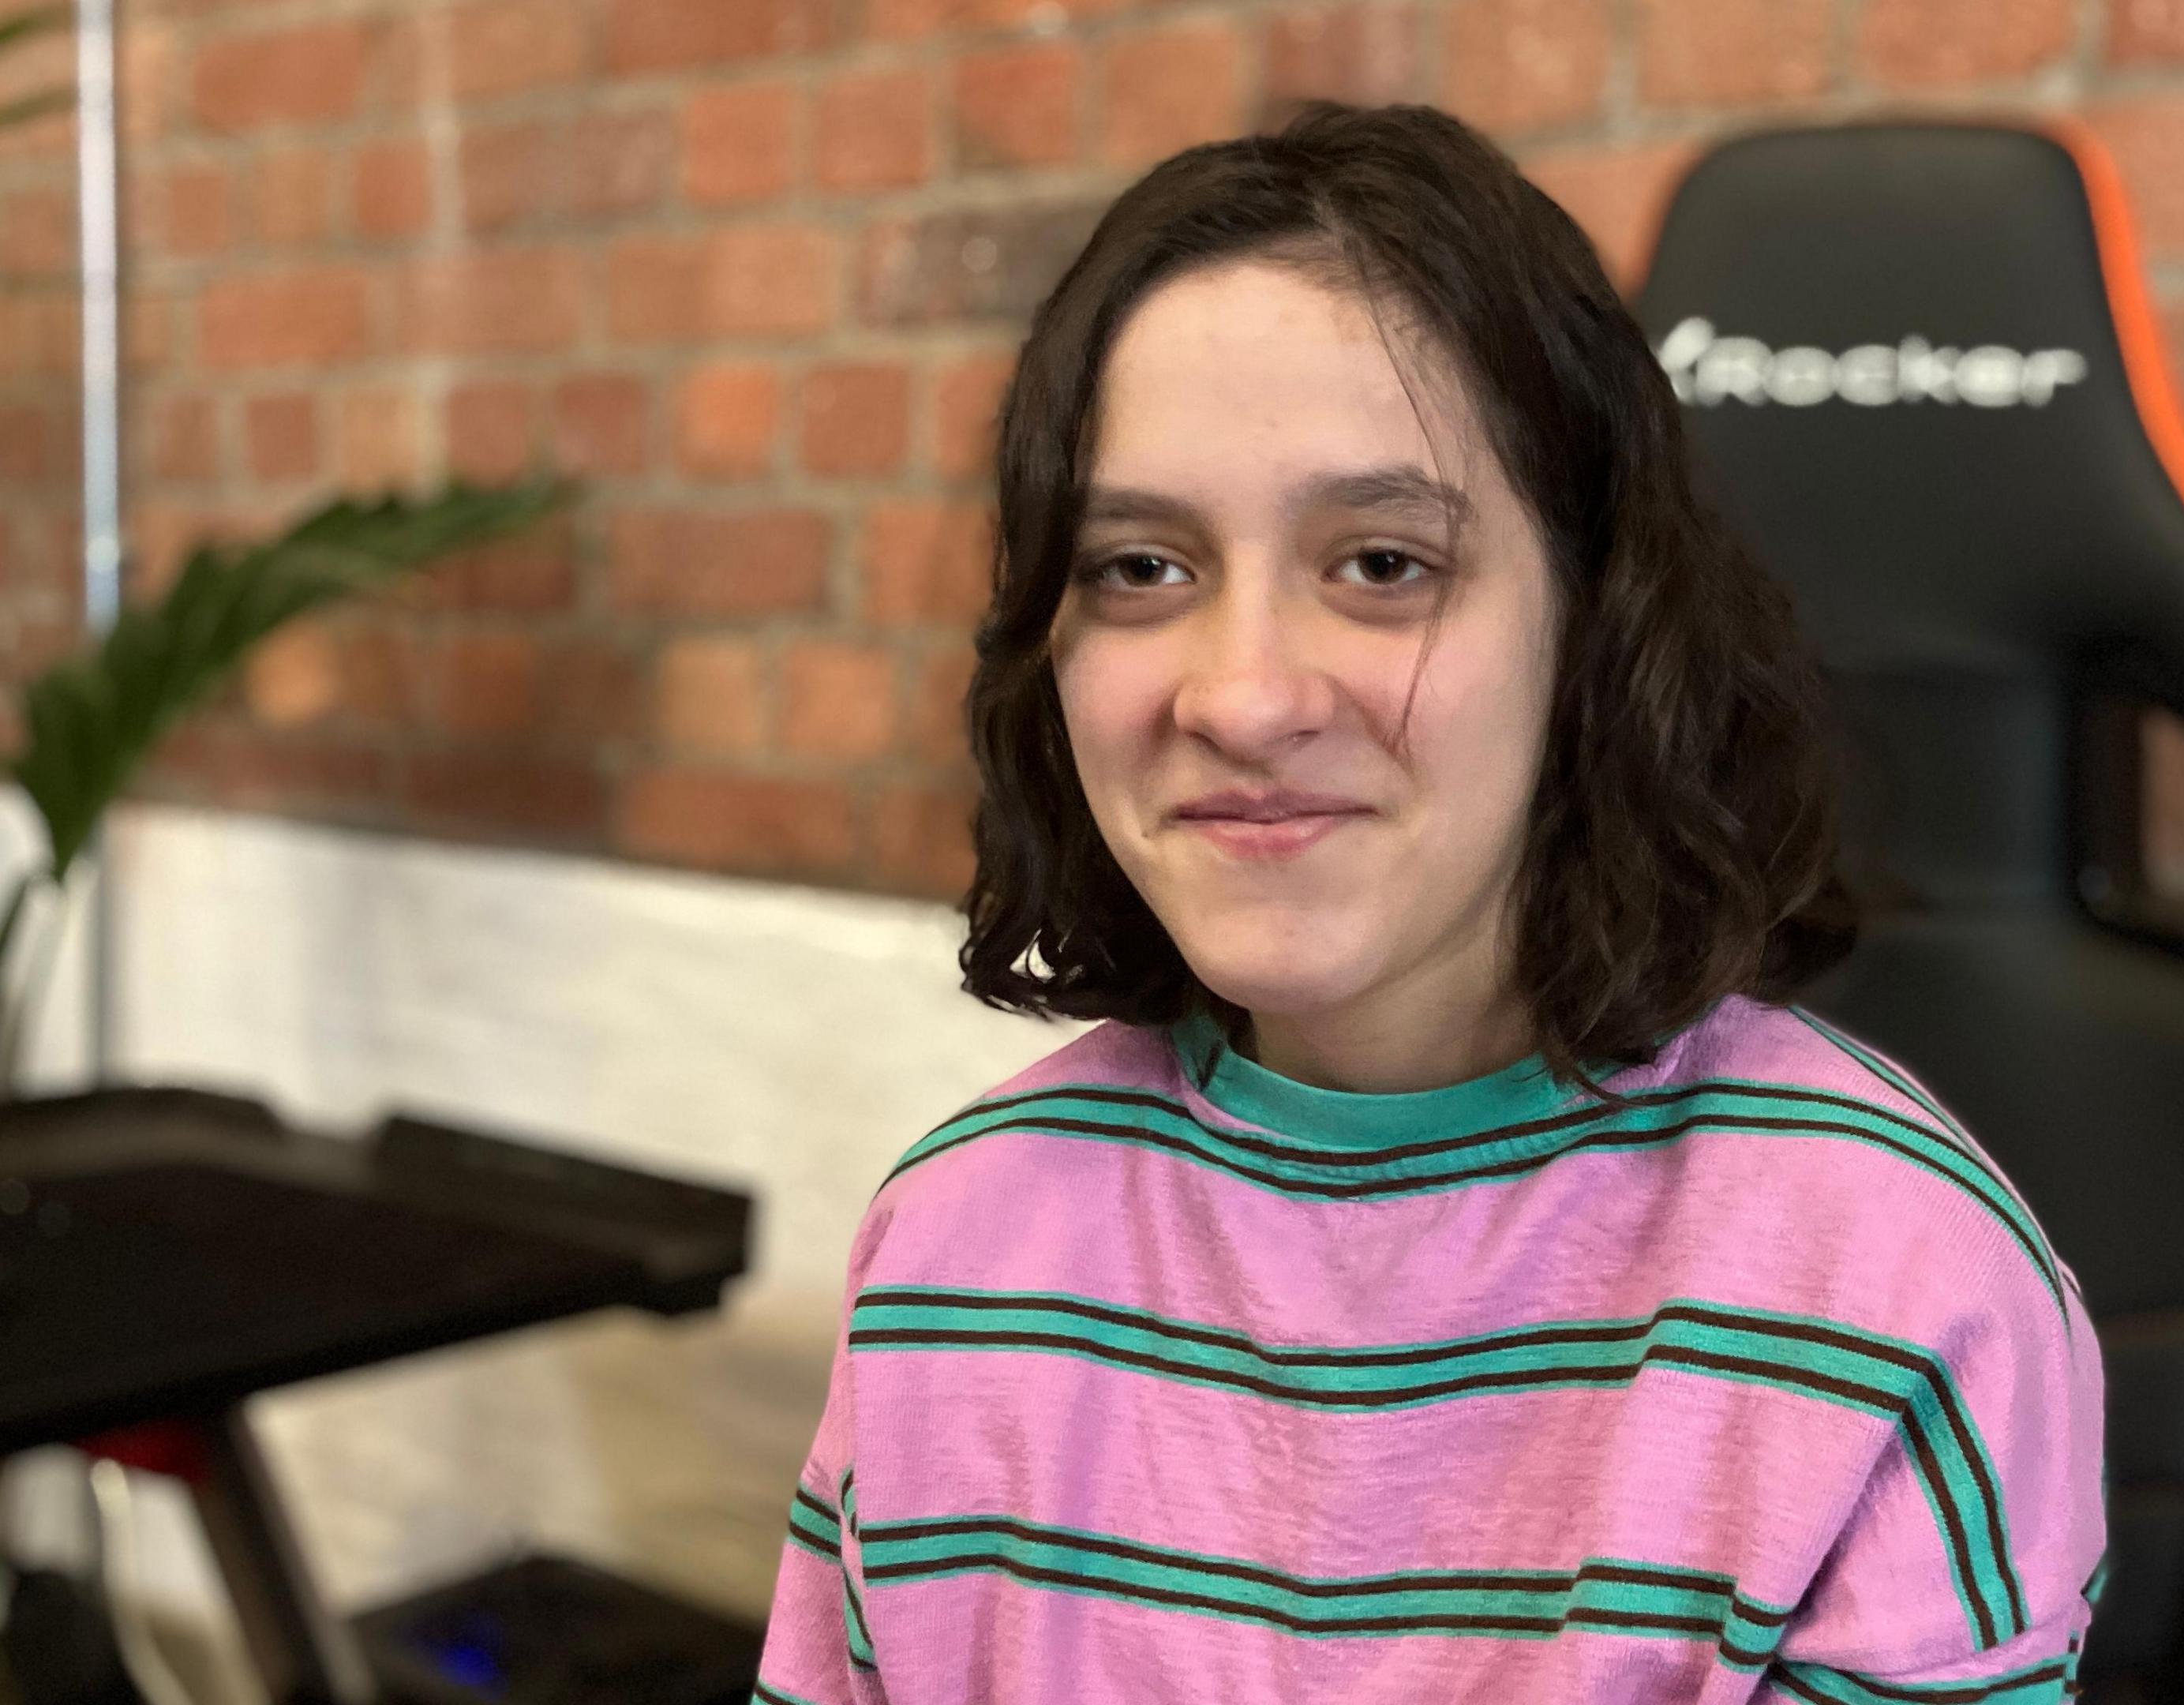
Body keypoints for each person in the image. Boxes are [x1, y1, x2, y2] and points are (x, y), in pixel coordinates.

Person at [756, 101, 2106, 1705]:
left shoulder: (1898, 1288)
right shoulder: (952, 1247)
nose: (1243, 698)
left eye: (1384, 564)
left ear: (1596, 624)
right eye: (1140, 568)